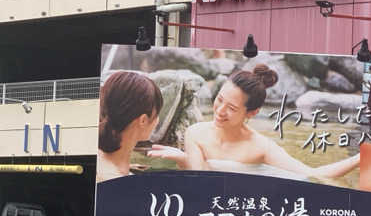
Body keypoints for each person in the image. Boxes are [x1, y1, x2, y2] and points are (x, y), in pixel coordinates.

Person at [148, 64, 360, 179]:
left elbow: (314, 175)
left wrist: (361, 158)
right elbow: (199, 181)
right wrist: (183, 160)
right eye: (219, 99)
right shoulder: (196, 132)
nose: (220, 111)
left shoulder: (261, 146)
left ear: (252, 113)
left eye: (231, 108)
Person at [97, 71, 163, 182]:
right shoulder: (114, 180)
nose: (157, 121)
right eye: (157, 114)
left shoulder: (98, 161)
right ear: (143, 120)